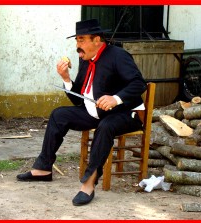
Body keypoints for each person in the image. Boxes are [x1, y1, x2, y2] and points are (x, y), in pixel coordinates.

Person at [17, 19, 147, 206]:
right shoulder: (85, 59)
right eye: (77, 40)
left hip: (127, 114)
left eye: (82, 40)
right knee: (58, 115)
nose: (78, 46)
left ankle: (89, 183)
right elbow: (79, 99)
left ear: (97, 40)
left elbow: (138, 83)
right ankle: (43, 169)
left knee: (105, 127)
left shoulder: (118, 55)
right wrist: (66, 79)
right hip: (95, 112)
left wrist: (115, 98)